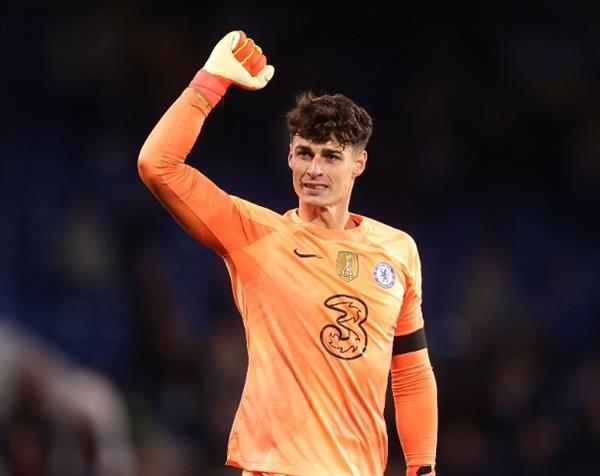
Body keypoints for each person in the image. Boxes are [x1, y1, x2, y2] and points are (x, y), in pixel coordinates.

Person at [138, 30, 438, 476]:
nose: (314, 169)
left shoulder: (398, 250)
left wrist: (422, 467)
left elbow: (411, 373)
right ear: (290, 157)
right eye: (304, 153)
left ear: (358, 164)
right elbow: (157, 165)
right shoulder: (254, 234)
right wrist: (210, 82)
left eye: (331, 157)